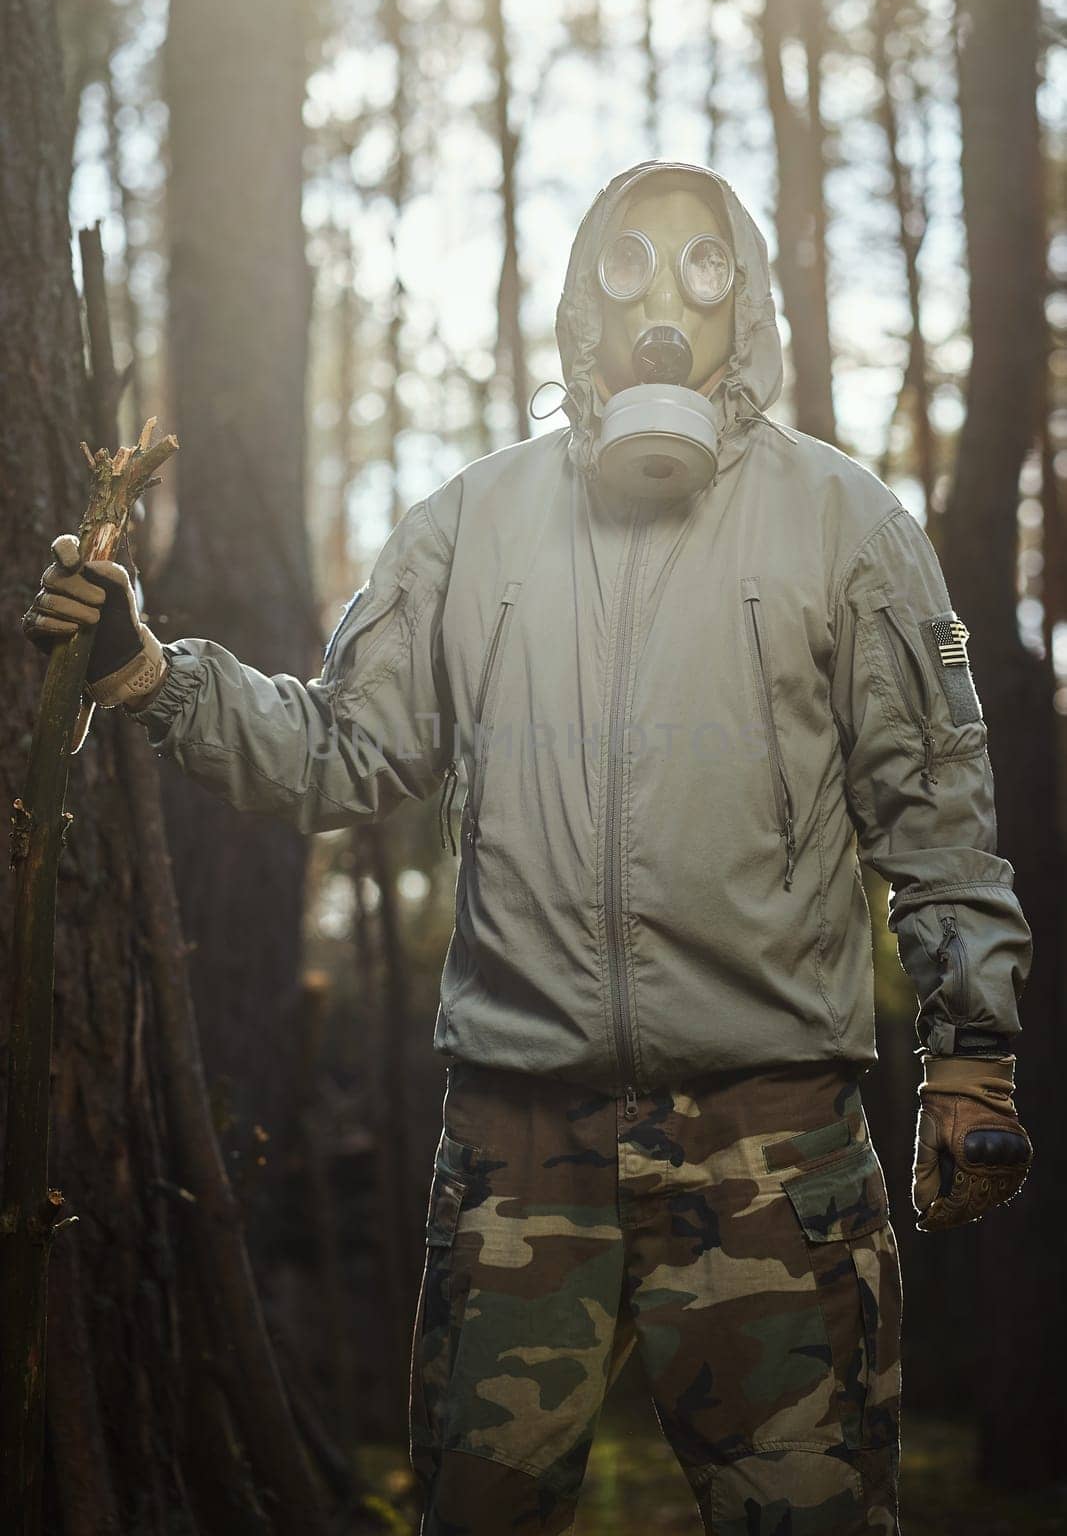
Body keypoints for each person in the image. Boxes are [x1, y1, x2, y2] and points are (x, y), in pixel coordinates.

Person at [24, 159, 1034, 1535]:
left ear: (749, 305)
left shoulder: (842, 521)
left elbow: (936, 803)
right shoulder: (470, 524)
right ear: (580, 306)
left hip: (775, 1149)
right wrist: (149, 672)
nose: (665, 299)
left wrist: (971, 1056)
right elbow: (339, 749)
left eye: (704, 264)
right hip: (517, 1152)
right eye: (628, 266)